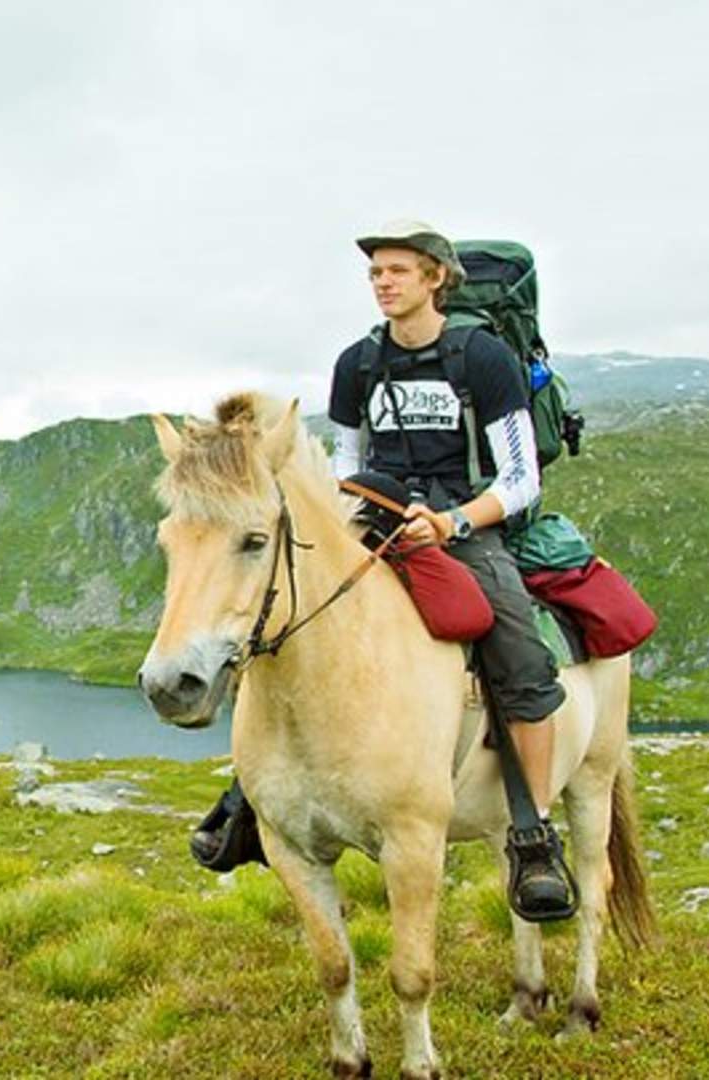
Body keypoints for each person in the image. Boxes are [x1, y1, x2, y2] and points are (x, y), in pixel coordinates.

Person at [190, 219, 574, 920]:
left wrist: (454, 523)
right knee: (274, 618)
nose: (383, 283)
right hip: (375, 517)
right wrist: (350, 522)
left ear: (437, 279)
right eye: (375, 273)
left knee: (516, 645)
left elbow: (521, 479)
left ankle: (534, 832)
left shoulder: (484, 359)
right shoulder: (357, 364)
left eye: (398, 270)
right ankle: (252, 795)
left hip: (463, 525)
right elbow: (346, 461)